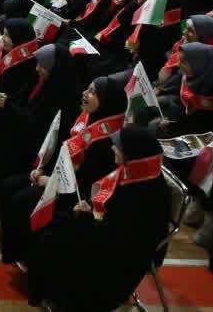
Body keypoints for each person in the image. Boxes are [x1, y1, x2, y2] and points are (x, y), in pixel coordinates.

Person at [25, 126, 171, 310]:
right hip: (106, 235)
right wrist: (88, 209)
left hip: (119, 260)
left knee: (55, 237)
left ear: (133, 154)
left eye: (118, 146)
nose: (113, 148)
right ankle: (49, 291)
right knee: (55, 224)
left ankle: (57, 295)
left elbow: (121, 237)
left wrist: (84, 217)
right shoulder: (136, 174)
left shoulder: (147, 196)